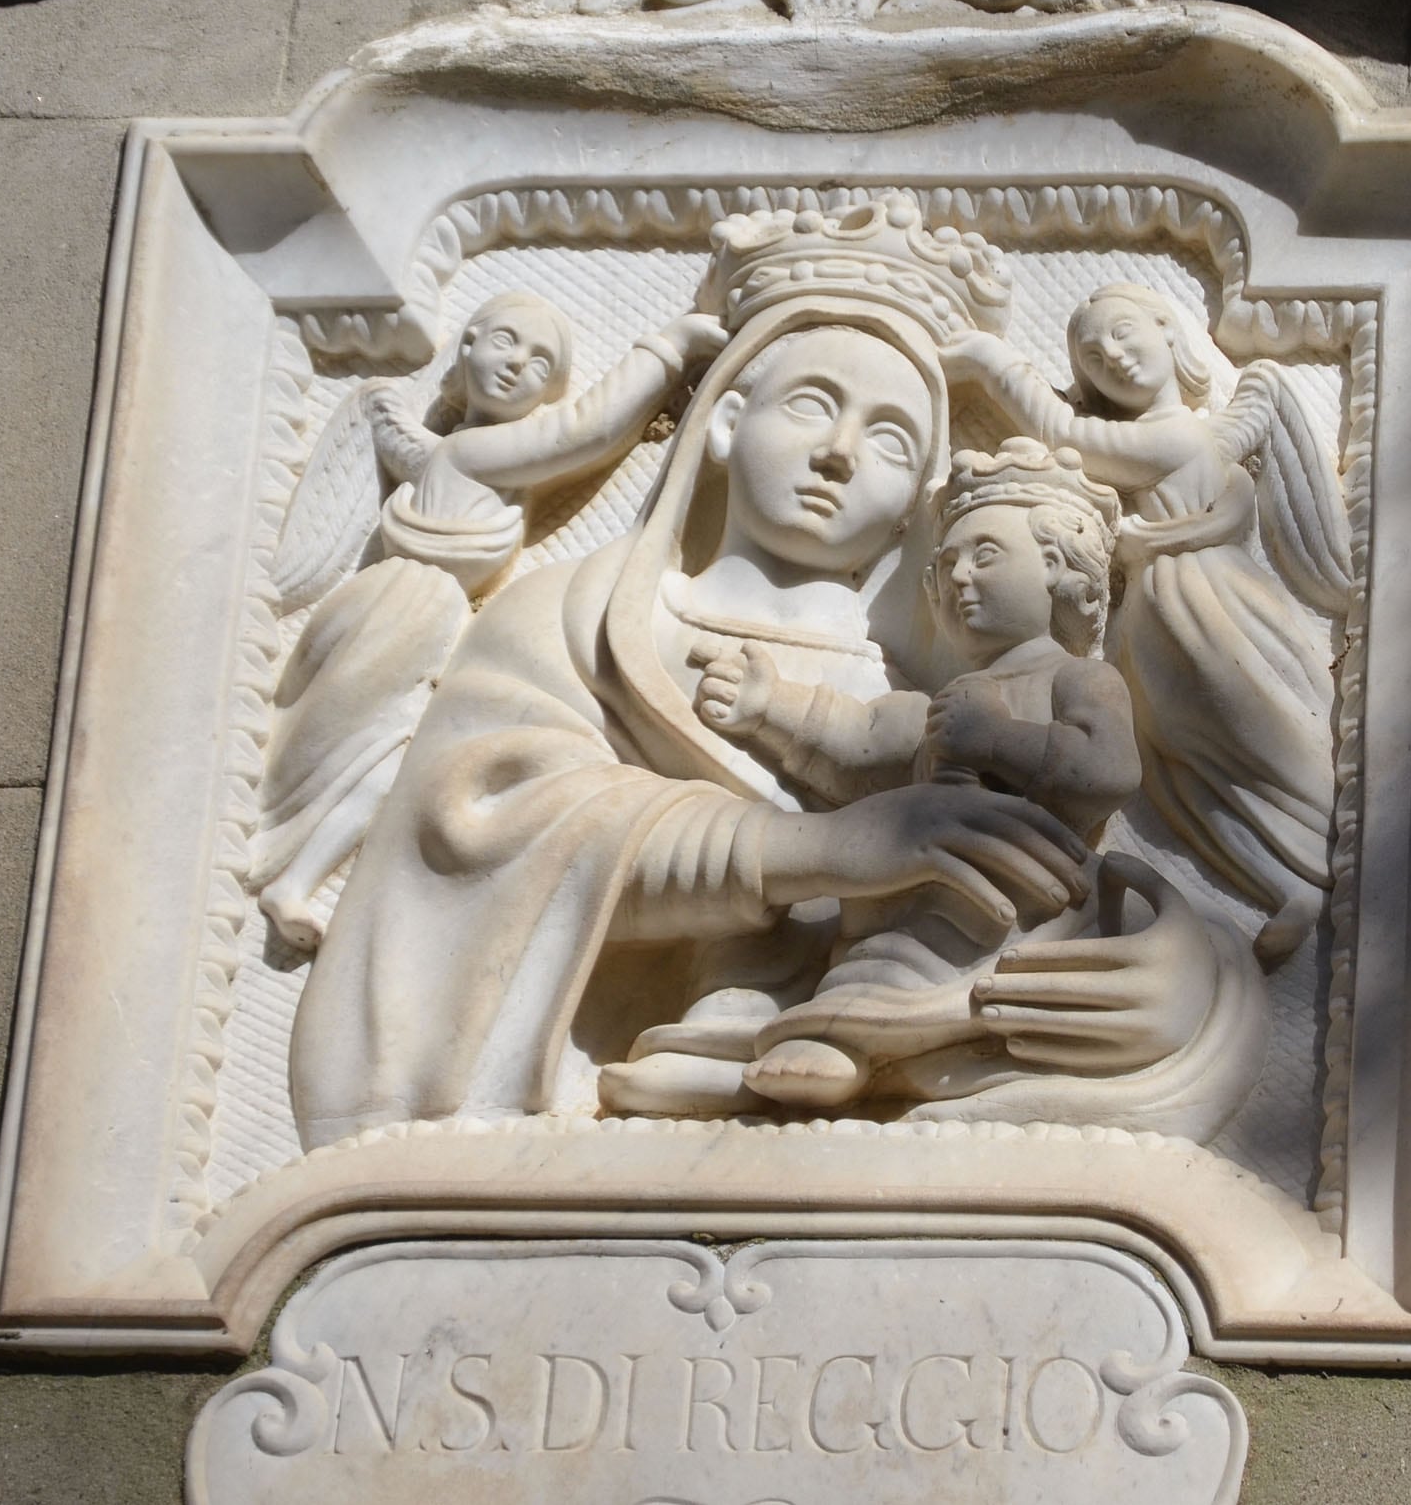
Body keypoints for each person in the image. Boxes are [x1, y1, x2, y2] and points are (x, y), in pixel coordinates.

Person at [286, 199, 1263, 1148]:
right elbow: (473, 844)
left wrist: (1162, 971)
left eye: (889, 440)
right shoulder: (579, 617)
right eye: (811, 405)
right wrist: (825, 847)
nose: (840, 455)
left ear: (913, 495)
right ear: (722, 420)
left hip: (944, 987)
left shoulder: (945, 660)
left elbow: (1097, 842)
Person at [248, 291, 724, 948]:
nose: (514, 364)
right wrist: (669, 346)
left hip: (420, 612)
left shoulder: (448, 453)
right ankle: (288, 864)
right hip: (405, 612)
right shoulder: (468, 454)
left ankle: (295, 881)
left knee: (393, 755)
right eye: (505, 341)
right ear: (465, 346)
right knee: (365, 746)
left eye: (536, 364)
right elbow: (586, 429)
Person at [688, 437, 1145, 1109]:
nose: (959, 577)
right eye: (946, 564)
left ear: (1055, 567)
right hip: (917, 899)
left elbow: (1109, 769)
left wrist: (992, 738)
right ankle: (830, 1031)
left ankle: (861, 1037)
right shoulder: (939, 705)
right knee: (873, 934)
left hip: (1028, 898)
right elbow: (860, 745)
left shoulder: (1078, 678)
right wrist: (767, 707)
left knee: (932, 944)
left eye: (985, 555)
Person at [947, 282, 1352, 965]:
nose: (1114, 357)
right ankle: (1285, 883)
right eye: (1094, 359)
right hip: (1160, 624)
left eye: (1124, 333)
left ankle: (1317, 861)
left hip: (1214, 610)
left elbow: (1067, 434)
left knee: (1257, 732)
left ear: (1169, 333)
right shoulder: (1178, 441)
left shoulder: (1178, 435)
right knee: (1189, 773)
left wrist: (994, 365)